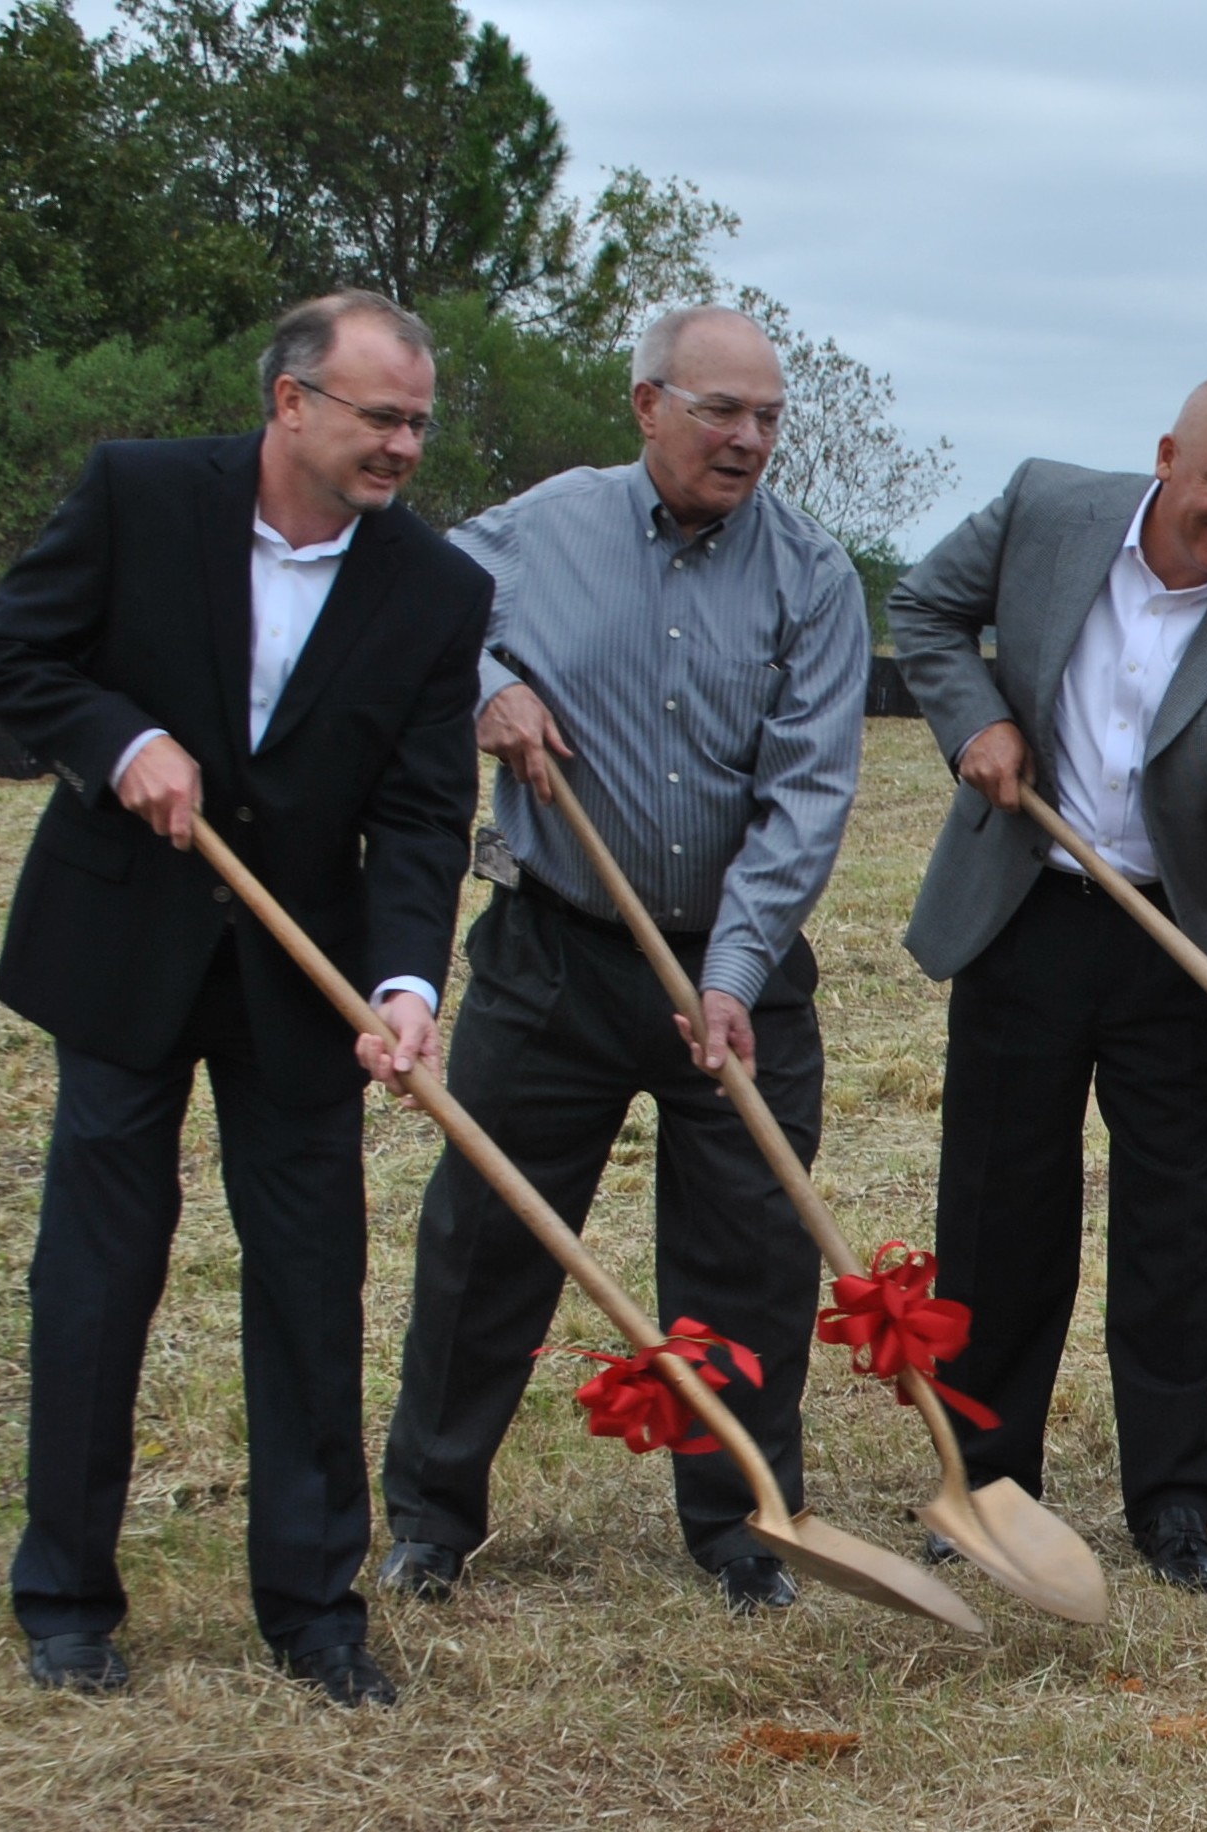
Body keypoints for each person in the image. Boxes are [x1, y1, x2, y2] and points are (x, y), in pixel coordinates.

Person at [0, 291, 489, 1704]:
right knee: (97, 1274)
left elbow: (423, 812)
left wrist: (404, 982)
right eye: (381, 417)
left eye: (419, 424)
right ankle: (67, 1600)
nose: (403, 447)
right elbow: (11, 650)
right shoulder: (138, 497)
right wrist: (118, 739)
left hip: (301, 983)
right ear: (291, 401)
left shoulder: (436, 591)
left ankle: (314, 1612)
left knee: (312, 1283)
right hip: (122, 951)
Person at [376, 304, 868, 1610]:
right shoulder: (539, 531)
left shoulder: (813, 576)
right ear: (648, 404)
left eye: (768, 417)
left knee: (751, 1249)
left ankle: (743, 1526)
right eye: (721, 410)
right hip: (554, 949)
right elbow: (406, 600)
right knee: (487, 1238)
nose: (748, 438)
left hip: (736, 966)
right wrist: (485, 683)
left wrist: (734, 972)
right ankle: (429, 1518)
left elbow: (807, 794)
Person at [888, 379, 1207, 1594]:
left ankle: (1175, 1501)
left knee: (1178, 1230)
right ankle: (987, 1483)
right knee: (998, 1215)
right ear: (1166, 459)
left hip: (1179, 940)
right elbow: (925, 608)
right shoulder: (1045, 508)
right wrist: (974, 719)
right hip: (1026, 914)